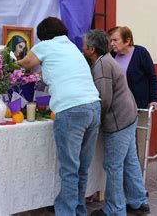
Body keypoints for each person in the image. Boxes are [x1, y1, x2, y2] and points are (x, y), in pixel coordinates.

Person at [17, 17, 100, 216]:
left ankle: (66, 213)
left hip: (71, 110)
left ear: (43, 35)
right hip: (94, 107)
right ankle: (78, 211)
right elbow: (51, 73)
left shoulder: (46, 46)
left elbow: (27, 62)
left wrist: (6, 63)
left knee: (70, 169)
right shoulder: (72, 47)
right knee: (82, 167)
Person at [83, 30, 150, 216]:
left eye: (84, 45)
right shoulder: (106, 60)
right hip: (129, 115)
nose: (82, 48)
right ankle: (139, 202)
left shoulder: (102, 65)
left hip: (119, 120)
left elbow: (104, 99)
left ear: (91, 49)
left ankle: (115, 209)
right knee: (130, 161)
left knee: (113, 166)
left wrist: (95, 121)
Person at [108, 26, 157, 171]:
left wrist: (154, 99)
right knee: (123, 144)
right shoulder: (112, 56)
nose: (112, 43)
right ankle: (126, 177)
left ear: (127, 40)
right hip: (119, 108)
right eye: (110, 40)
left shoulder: (140, 53)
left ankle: (139, 180)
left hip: (139, 106)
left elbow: (152, 77)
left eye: (115, 40)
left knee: (140, 142)